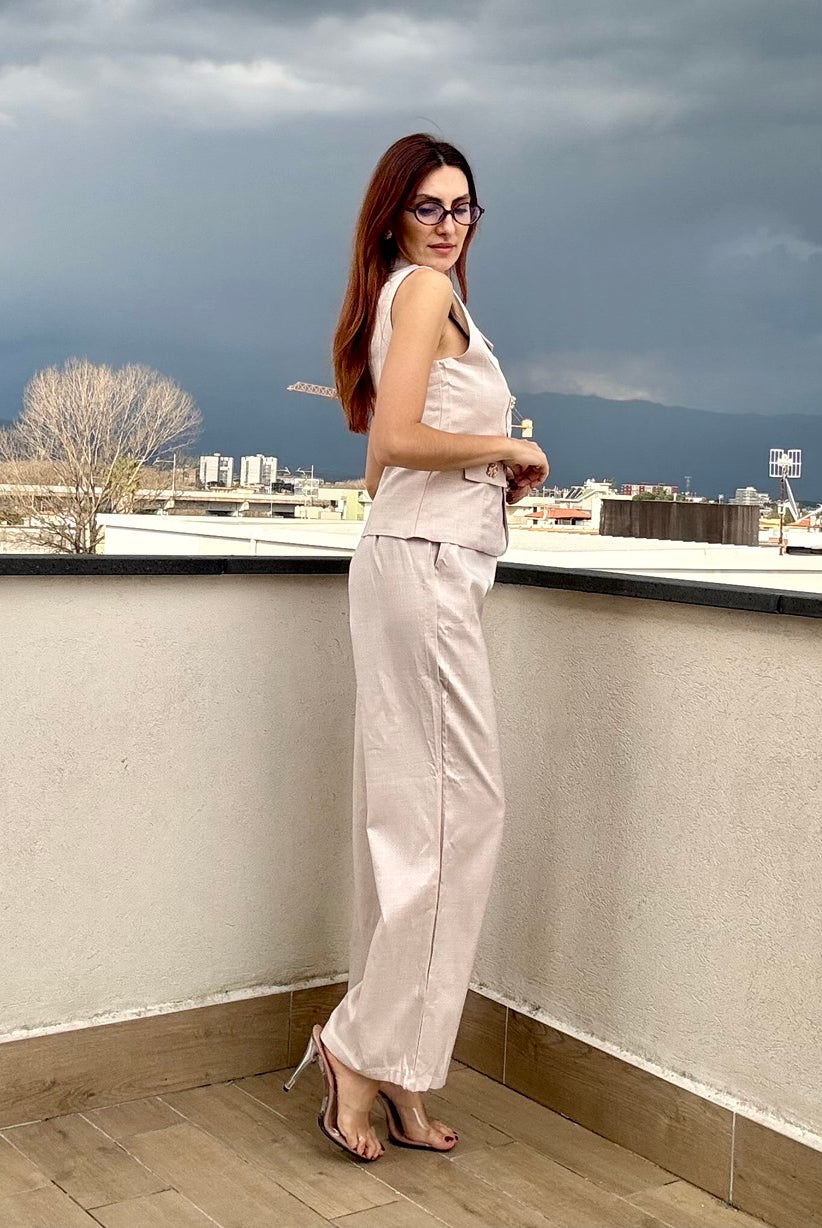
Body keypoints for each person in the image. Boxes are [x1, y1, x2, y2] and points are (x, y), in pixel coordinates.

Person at [283, 133, 549, 1162]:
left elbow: (382, 468)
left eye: (463, 206)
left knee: (420, 821)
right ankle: (359, 1047)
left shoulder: (409, 299)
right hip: (426, 571)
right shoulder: (426, 292)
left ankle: (401, 1063)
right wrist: (506, 445)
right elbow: (393, 440)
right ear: (394, 215)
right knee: (457, 818)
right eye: (429, 206)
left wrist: (483, 473)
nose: (449, 224)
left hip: (420, 561)